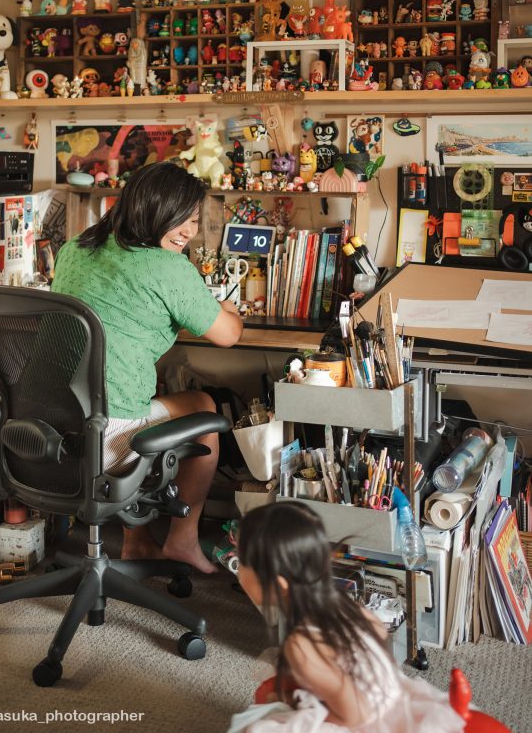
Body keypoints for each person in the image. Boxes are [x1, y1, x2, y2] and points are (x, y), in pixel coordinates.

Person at [51, 161, 243, 573]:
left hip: (53, 426)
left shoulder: (75, 249)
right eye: (184, 219)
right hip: (108, 434)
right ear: (154, 209)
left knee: (146, 394)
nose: (191, 231)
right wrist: (226, 309)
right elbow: (228, 335)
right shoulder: (168, 267)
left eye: (195, 220)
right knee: (205, 409)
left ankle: (137, 542)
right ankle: (182, 541)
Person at [228, 501, 463, 733]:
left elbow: (356, 715)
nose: (238, 573)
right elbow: (379, 631)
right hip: (391, 695)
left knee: (257, 729)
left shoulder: (301, 646)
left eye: (242, 564)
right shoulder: (345, 606)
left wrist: (303, 708)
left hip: (367, 720)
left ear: (277, 585)